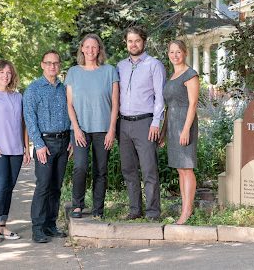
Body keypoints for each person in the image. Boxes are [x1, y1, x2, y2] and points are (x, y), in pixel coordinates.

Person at [66, 34, 119, 219]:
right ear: (82, 48)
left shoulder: (109, 71)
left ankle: (98, 209)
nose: (90, 50)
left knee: (101, 170)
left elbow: (115, 103)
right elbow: (69, 104)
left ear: (99, 49)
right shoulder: (73, 72)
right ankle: (77, 205)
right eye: (87, 47)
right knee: (80, 166)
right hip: (80, 130)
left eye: (94, 47)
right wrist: (76, 128)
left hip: (103, 129)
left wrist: (112, 129)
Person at [117, 26, 166, 221]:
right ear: (126, 43)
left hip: (145, 123)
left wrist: (156, 122)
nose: (133, 44)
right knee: (128, 169)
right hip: (124, 125)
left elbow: (160, 97)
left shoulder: (154, 65)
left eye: (137, 40)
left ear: (143, 42)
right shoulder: (120, 66)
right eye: (130, 41)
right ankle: (135, 209)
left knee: (149, 169)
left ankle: (153, 212)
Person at [23, 50, 71, 243]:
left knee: (56, 187)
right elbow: (30, 119)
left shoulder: (64, 88)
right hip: (45, 144)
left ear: (59, 66)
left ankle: (51, 225)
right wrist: (39, 145)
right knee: (43, 186)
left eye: (56, 63)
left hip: (64, 142)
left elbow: (72, 114)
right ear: (42, 64)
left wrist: (73, 141)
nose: (52, 66)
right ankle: (38, 228)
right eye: (48, 63)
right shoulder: (33, 89)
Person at [0, 59, 31, 244]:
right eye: (1, 72)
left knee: (8, 189)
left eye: (8, 73)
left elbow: (23, 124)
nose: (5, 76)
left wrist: (26, 148)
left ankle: (3, 225)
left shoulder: (18, 97)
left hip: (15, 150)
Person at [159, 40, 199, 225]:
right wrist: (164, 132)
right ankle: (186, 207)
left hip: (185, 123)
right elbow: (169, 107)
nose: (175, 55)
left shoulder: (190, 75)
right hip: (173, 124)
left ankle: (187, 211)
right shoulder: (173, 75)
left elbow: (192, 104)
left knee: (187, 168)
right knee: (180, 169)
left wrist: (185, 130)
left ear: (185, 53)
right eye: (172, 52)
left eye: (178, 52)